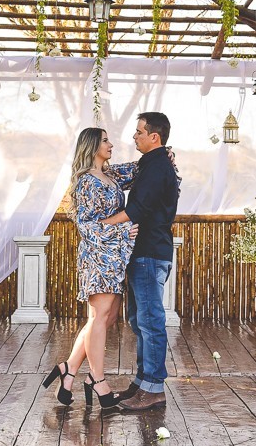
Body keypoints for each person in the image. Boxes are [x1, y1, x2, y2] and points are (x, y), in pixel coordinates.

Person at [42, 127, 139, 409]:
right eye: (105, 140)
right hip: (98, 256)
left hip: (115, 256)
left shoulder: (110, 175)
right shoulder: (86, 181)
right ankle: (97, 379)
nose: (111, 144)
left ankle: (69, 368)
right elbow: (85, 226)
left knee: (108, 317)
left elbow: (138, 169)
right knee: (99, 317)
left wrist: (165, 154)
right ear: (92, 145)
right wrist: (122, 231)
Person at [99, 111, 180, 412]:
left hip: (149, 253)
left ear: (154, 137)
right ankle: (142, 382)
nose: (134, 136)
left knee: (150, 321)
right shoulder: (150, 163)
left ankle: (154, 389)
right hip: (144, 252)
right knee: (139, 320)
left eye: (139, 132)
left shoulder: (158, 166)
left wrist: (100, 225)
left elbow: (137, 210)